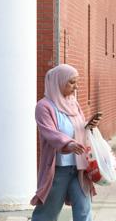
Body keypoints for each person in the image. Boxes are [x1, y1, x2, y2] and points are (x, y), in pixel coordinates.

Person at [31, 64, 101, 221]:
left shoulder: (73, 104)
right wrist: (67, 144)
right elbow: (49, 132)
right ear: (58, 81)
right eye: (71, 82)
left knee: (84, 211)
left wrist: (89, 126)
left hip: (80, 169)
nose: (75, 87)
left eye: (76, 82)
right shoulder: (44, 107)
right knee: (47, 214)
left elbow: (79, 127)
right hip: (58, 171)